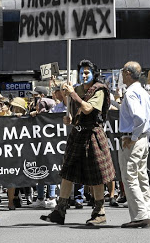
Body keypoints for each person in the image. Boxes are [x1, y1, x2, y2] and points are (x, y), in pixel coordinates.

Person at [41, 59, 115, 226]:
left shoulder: (99, 90)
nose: (84, 75)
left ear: (94, 74)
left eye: (87, 72)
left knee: (97, 175)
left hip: (93, 135)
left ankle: (99, 211)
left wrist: (73, 94)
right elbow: (77, 113)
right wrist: (70, 119)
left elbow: (88, 109)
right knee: (67, 173)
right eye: (82, 72)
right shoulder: (78, 89)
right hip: (78, 134)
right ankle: (60, 210)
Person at [117, 61, 150, 228]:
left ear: (127, 73)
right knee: (141, 177)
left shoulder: (131, 93)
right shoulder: (143, 92)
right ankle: (146, 213)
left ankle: (140, 215)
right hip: (143, 139)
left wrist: (133, 136)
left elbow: (139, 118)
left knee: (130, 177)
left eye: (122, 72)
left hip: (134, 140)